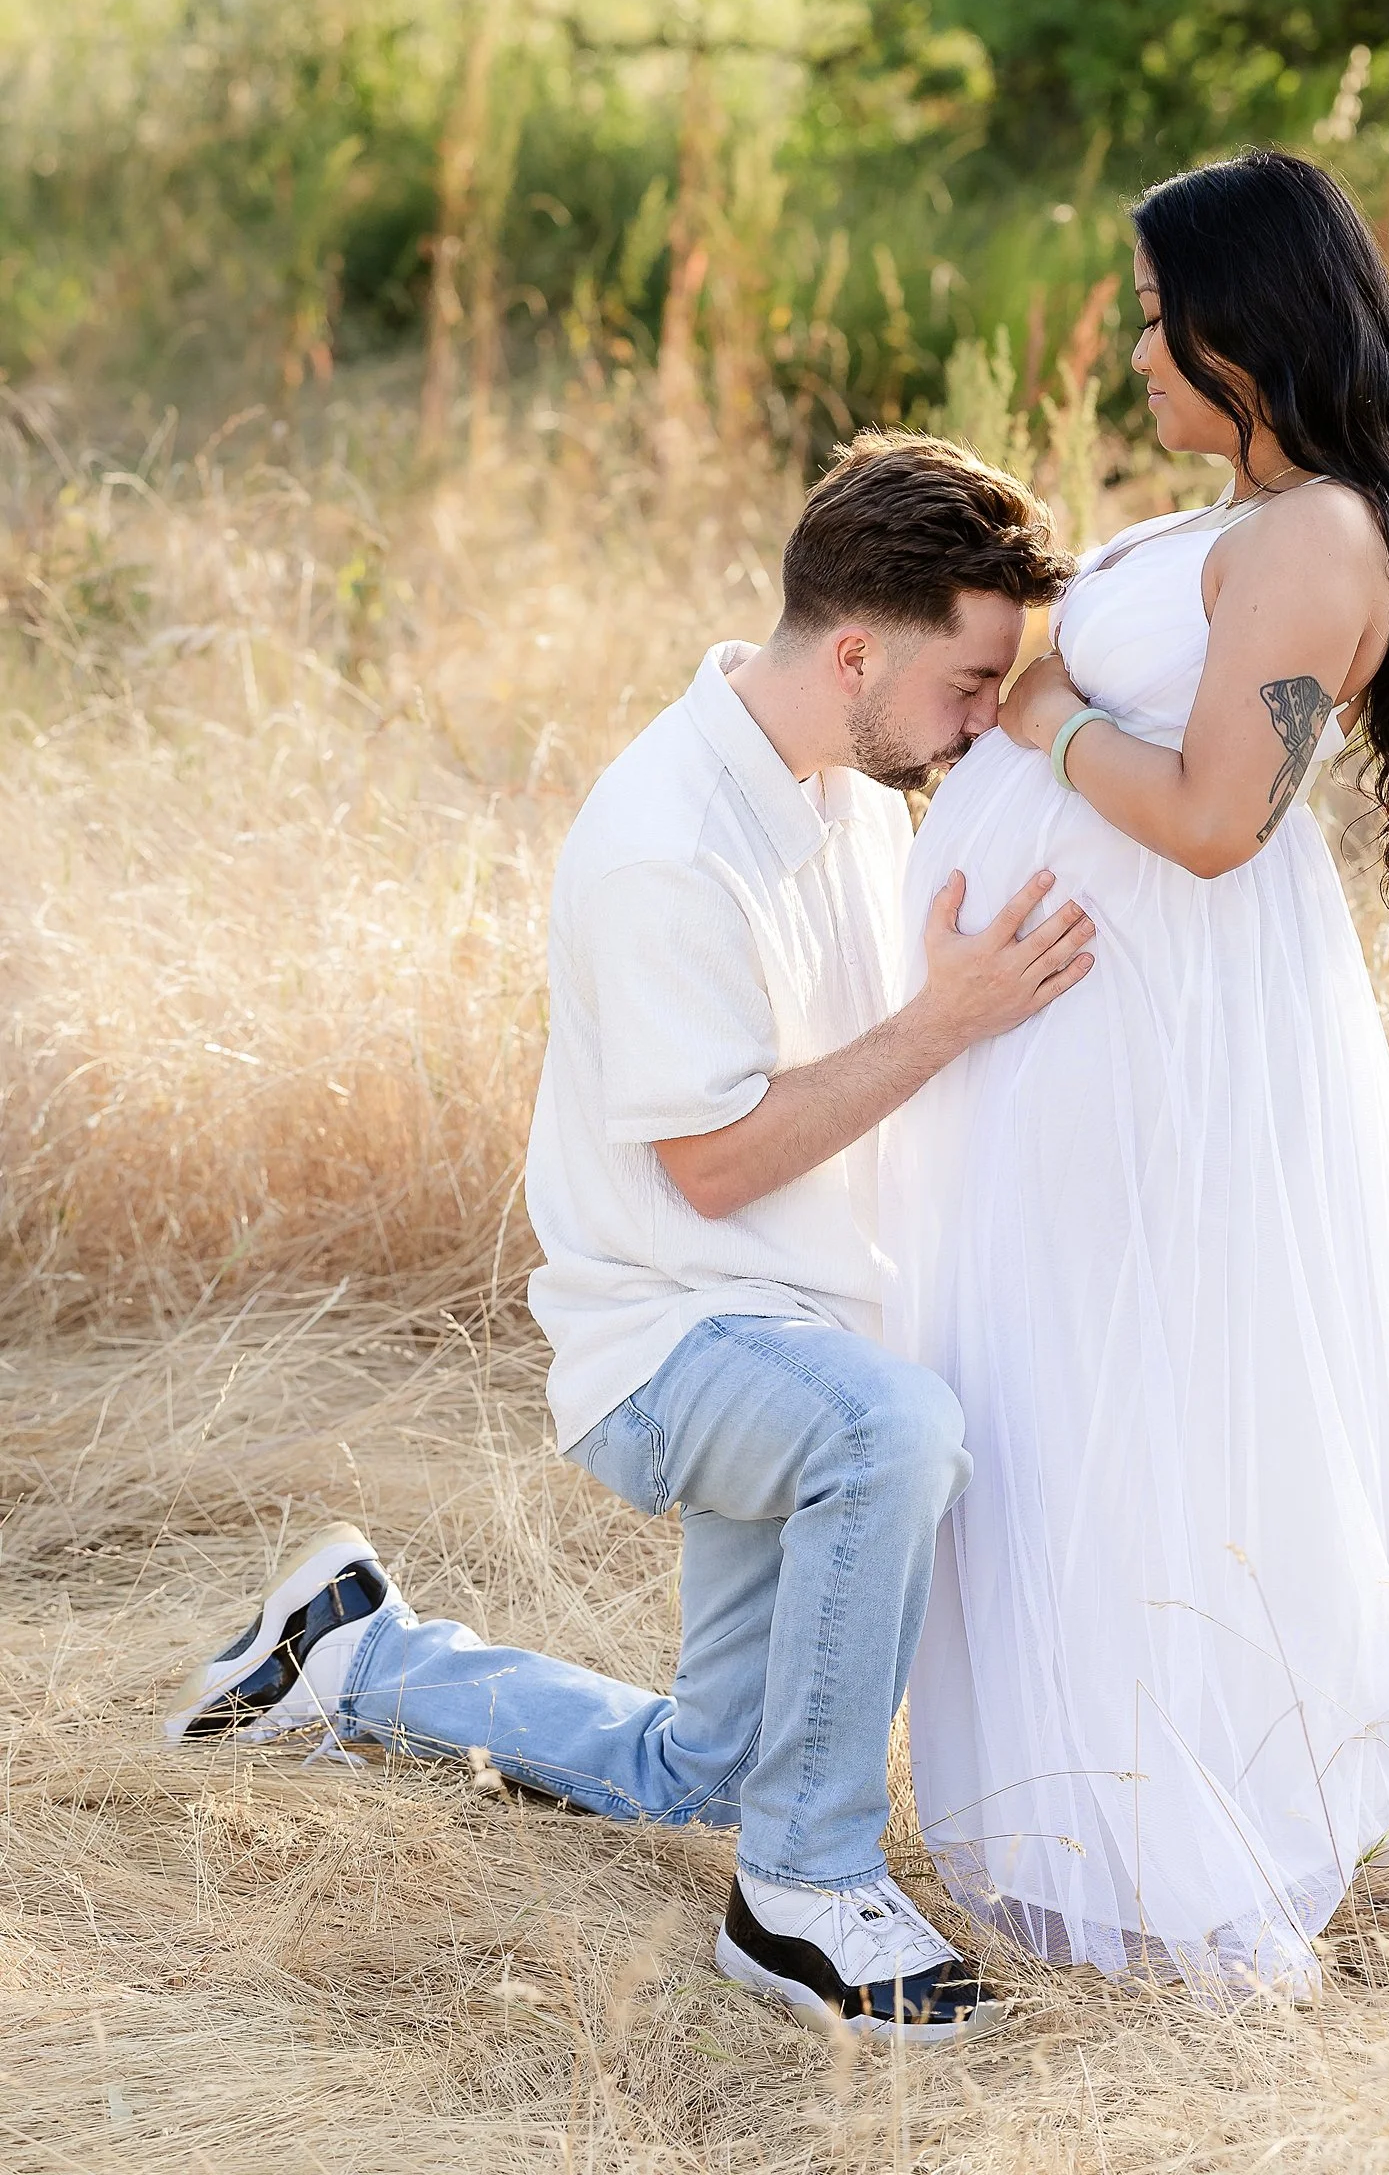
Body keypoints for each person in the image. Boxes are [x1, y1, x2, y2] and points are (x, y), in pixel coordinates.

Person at [165, 434, 1095, 2041]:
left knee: (703, 1770)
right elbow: (719, 1166)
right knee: (896, 1434)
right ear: (857, 650)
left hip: (797, 1327)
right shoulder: (667, 838)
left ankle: (355, 1657)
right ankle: (803, 1896)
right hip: (671, 1339)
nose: (979, 723)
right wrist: (947, 1023)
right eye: (968, 684)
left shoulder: (852, 777)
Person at [882, 150, 1389, 2003]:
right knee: (1058, 1368)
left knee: (1125, 1374)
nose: (1132, 353)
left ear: (1242, 326)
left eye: (1151, 315)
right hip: (1071, 1013)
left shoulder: (1316, 541)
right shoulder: (1254, 513)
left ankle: (1161, 1804)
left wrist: (1039, 720)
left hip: (1148, 1021)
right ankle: (1089, 1776)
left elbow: (1215, 817)